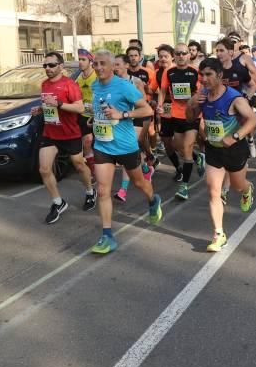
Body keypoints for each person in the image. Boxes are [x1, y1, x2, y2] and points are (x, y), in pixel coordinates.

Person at [90, 50, 163, 255]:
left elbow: (147, 110)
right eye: (96, 64)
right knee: (103, 190)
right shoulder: (95, 86)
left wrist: (122, 114)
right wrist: (94, 117)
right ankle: (107, 235)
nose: (99, 67)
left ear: (113, 66)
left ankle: (152, 199)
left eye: (103, 63)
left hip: (125, 146)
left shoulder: (124, 86)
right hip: (102, 145)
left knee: (139, 182)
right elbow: (100, 109)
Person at [186, 57, 256, 252]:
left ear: (219, 75)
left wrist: (234, 136)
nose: (204, 79)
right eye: (202, 75)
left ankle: (247, 189)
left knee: (237, 186)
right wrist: (192, 104)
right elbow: (190, 118)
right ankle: (219, 234)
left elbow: (252, 119)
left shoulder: (234, 98)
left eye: (208, 75)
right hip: (213, 149)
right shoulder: (202, 96)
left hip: (234, 149)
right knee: (213, 190)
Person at [33, 51, 96, 225]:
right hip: (51, 132)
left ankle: (90, 191)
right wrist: (41, 109)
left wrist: (59, 104)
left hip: (70, 133)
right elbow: (49, 104)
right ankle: (58, 202)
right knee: (44, 169)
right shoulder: (44, 84)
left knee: (78, 164)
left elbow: (79, 108)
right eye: (45, 65)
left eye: (51, 65)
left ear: (61, 66)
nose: (48, 68)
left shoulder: (70, 85)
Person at [159, 42, 204, 201]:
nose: (180, 56)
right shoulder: (168, 72)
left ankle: (184, 186)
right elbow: (163, 91)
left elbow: (201, 93)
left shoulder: (196, 72)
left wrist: (194, 102)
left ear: (189, 55)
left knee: (186, 147)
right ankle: (198, 158)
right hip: (176, 114)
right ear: (174, 56)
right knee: (178, 146)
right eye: (177, 53)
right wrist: (159, 106)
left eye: (183, 53)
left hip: (192, 115)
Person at [113, 54, 147, 203]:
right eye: (113, 65)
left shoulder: (136, 81)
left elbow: (144, 102)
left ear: (126, 65)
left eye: (118, 64)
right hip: (119, 121)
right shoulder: (111, 83)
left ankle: (123, 189)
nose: (115, 68)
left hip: (135, 118)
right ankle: (146, 165)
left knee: (127, 150)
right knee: (131, 151)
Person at [126, 46, 158, 178]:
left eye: (135, 55)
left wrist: (149, 93)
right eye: (130, 55)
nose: (133, 58)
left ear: (140, 57)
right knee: (134, 139)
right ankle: (147, 159)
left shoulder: (148, 72)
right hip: (128, 110)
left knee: (141, 138)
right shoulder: (123, 73)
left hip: (144, 109)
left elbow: (155, 90)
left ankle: (149, 156)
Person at [75, 49, 97, 176]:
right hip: (84, 114)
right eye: (79, 59)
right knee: (87, 141)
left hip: (98, 115)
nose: (80, 62)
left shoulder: (96, 76)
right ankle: (92, 168)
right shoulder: (79, 78)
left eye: (83, 59)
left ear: (90, 61)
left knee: (100, 143)